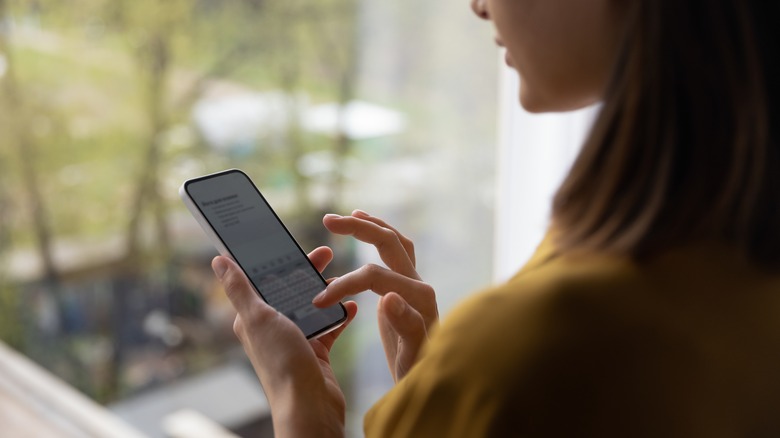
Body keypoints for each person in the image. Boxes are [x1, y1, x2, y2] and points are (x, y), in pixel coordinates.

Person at [210, 0, 780, 435]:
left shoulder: (543, 341)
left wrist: (299, 406)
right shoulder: (726, 260)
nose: (478, 4)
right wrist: (439, 391)